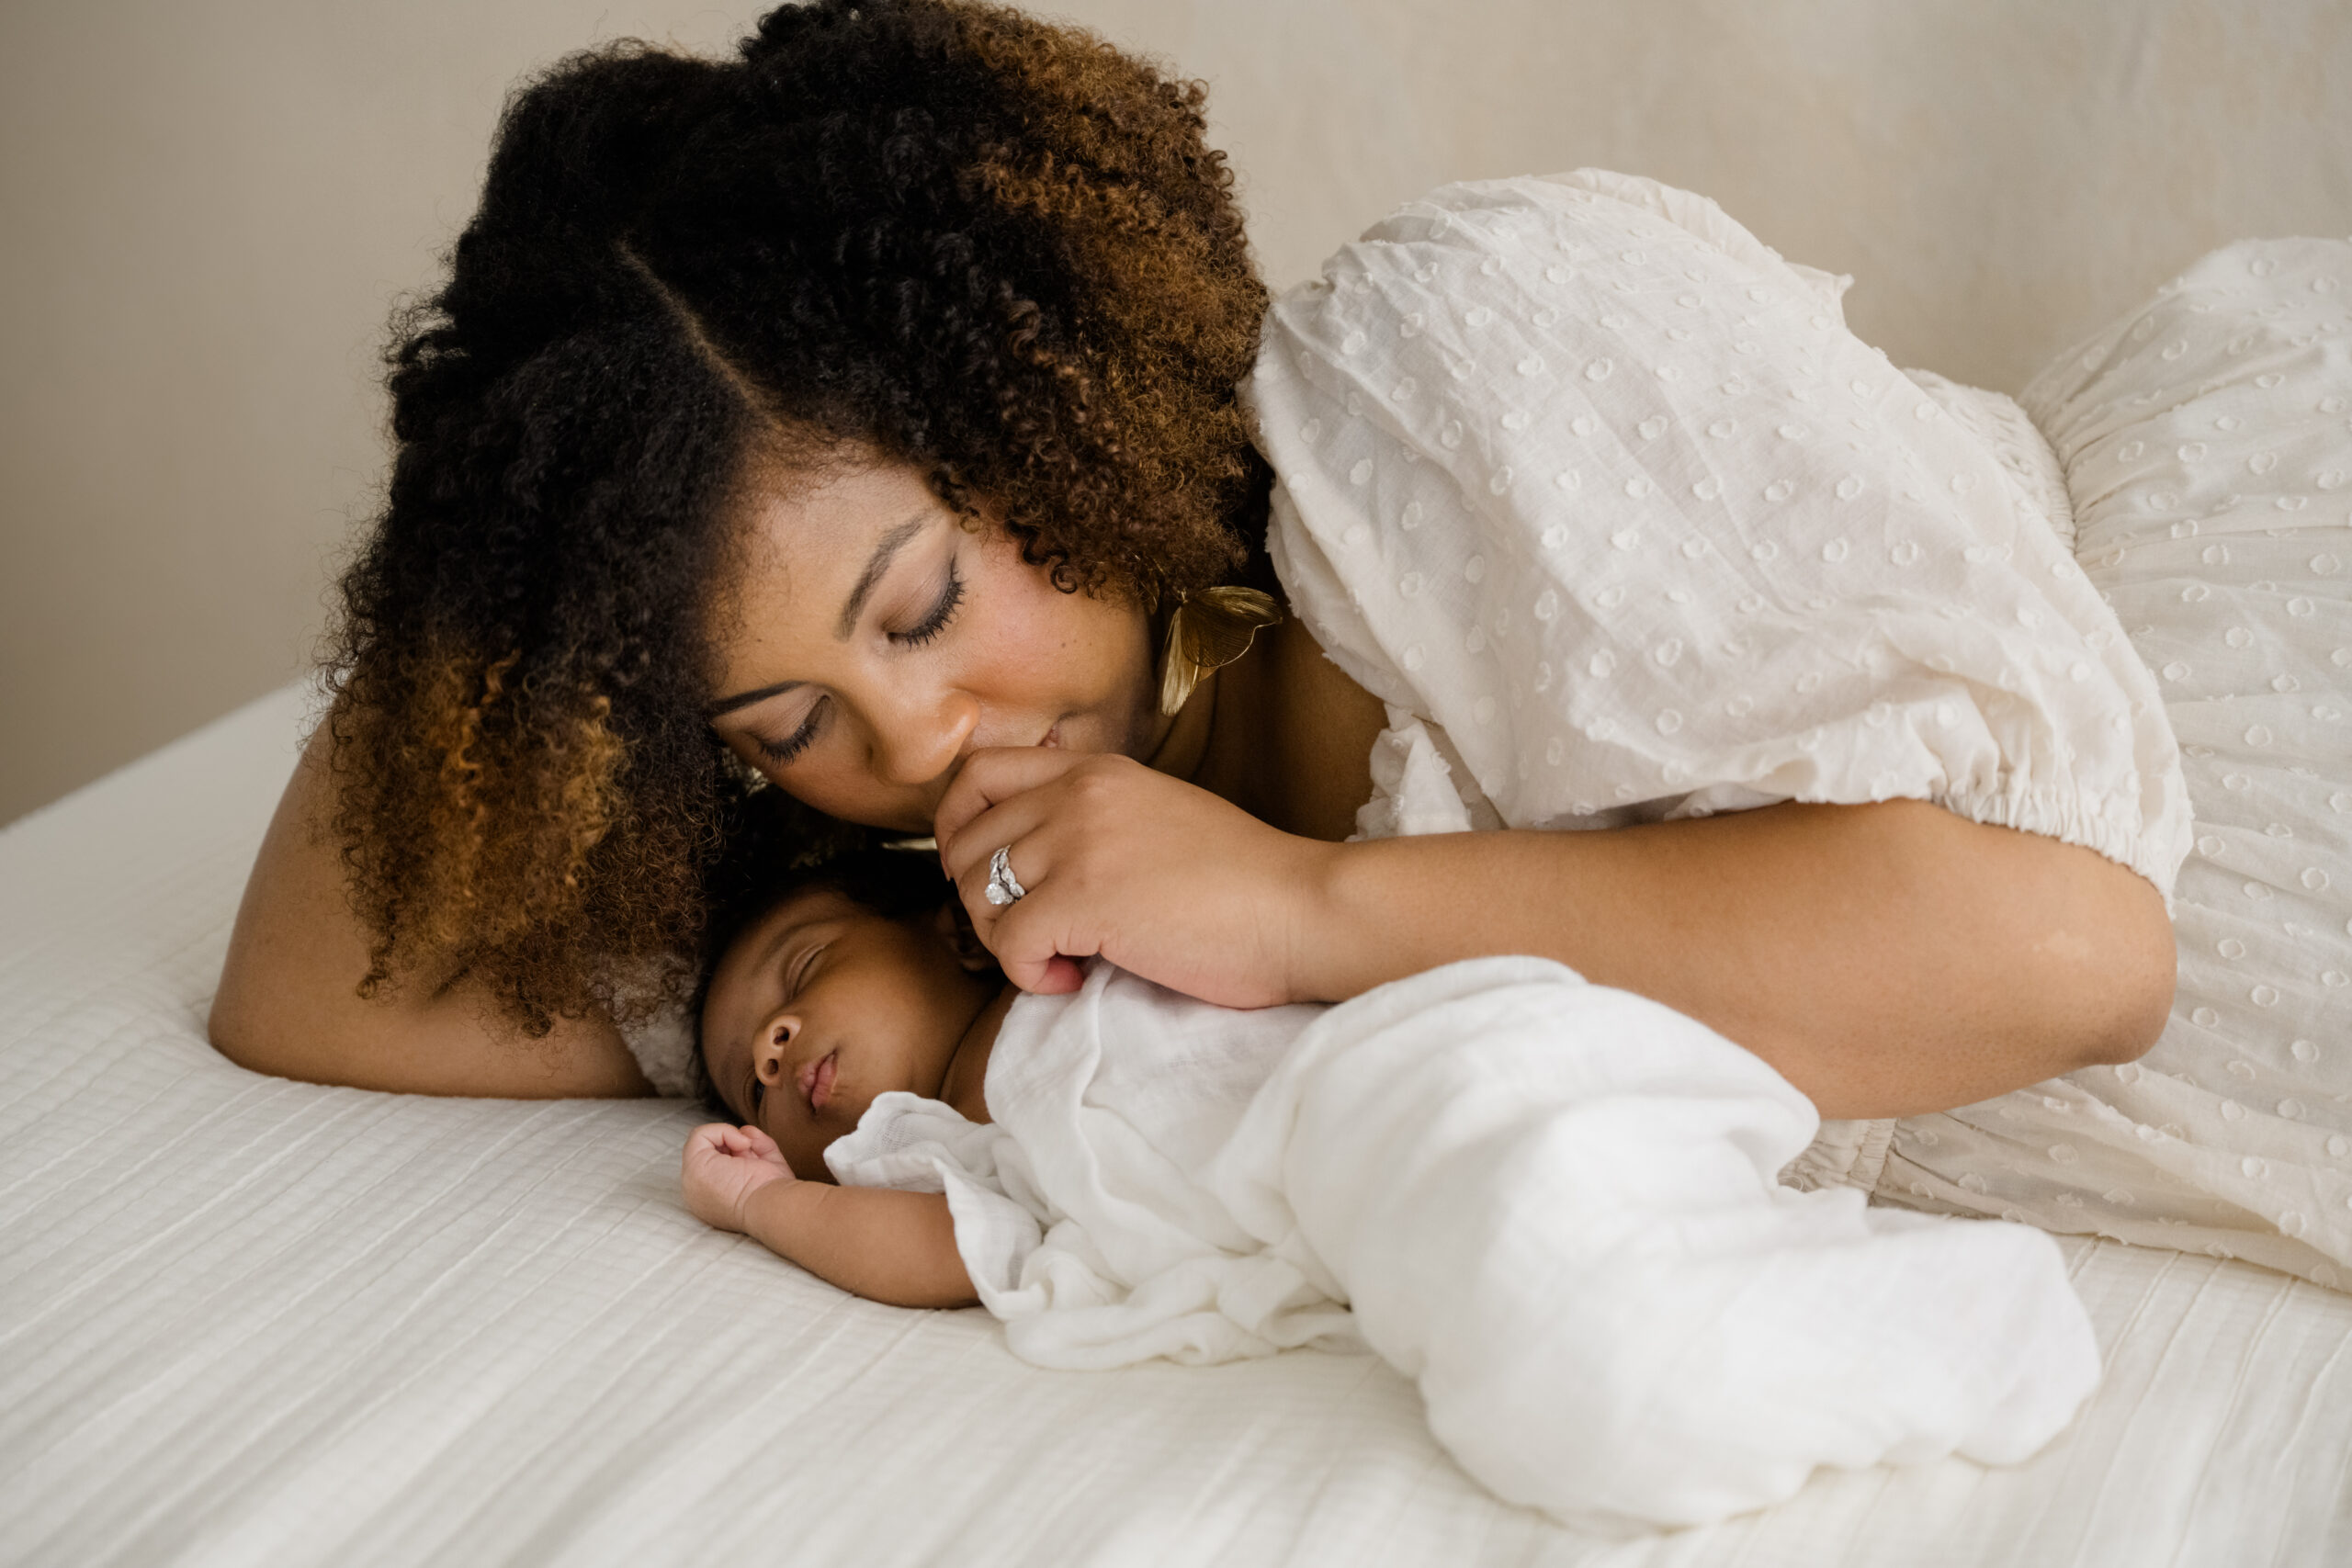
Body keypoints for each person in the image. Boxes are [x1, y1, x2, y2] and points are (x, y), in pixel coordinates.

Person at [208, 0, 2349, 1283]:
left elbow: (2073, 952)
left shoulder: (1443, 368)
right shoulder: (911, 907)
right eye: (787, 718)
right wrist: (529, 518)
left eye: (927, 602)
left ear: (1040, 385)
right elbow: (305, 984)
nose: (916, 735)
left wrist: (1304, 906)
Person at [680, 855, 2100, 1529]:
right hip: (1375, 1185)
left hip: (1432, 1057)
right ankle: (1905, 1309)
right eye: (752, 1077)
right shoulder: (963, 1146)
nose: (778, 1046)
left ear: (940, 923)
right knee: (1570, 1394)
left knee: (1563, 1294)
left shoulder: (1102, 940)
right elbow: (924, 1250)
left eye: (799, 977)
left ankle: (1927, 1315)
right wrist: (762, 1207)